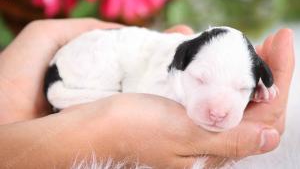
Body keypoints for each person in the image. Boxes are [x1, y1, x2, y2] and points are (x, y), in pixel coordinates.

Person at [0, 18, 295, 168]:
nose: (218, 110)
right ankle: (69, 96)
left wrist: (261, 87)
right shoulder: (167, 62)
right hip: (77, 65)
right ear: (180, 63)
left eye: (242, 88)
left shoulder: (242, 73)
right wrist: (95, 131)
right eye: (200, 79)